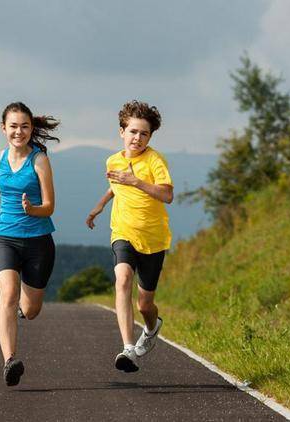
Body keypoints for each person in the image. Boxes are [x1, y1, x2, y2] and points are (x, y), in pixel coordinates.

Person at [0, 102, 59, 386]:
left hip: (39, 241)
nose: (19, 131)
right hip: (5, 237)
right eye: (13, 126)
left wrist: (33, 209)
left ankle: (18, 313)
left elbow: (50, 206)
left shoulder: (39, 160)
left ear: (31, 128)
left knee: (30, 310)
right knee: (8, 293)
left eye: (25, 126)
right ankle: (10, 360)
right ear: (3, 128)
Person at [86, 100, 173, 373]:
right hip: (123, 232)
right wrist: (99, 206)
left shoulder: (155, 161)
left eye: (144, 133)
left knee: (145, 303)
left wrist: (136, 181)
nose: (137, 138)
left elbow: (167, 195)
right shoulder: (113, 160)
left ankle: (151, 328)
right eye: (133, 131)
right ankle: (127, 348)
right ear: (122, 132)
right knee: (122, 279)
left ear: (150, 136)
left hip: (154, 239)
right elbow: (115, 186)